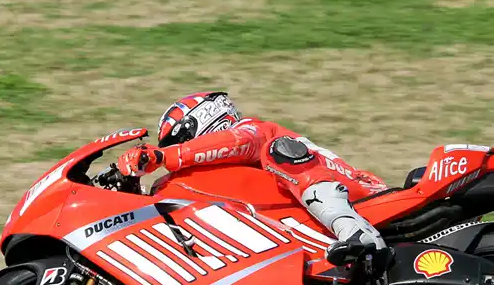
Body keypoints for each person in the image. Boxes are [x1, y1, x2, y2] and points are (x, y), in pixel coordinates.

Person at [116, 91, 391, 270]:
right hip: (313, 219)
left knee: (278, 150)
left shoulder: (251, 130)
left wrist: (165, 156)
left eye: (182, 140)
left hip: (364, 196)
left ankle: (358, 235)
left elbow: (241, 142)